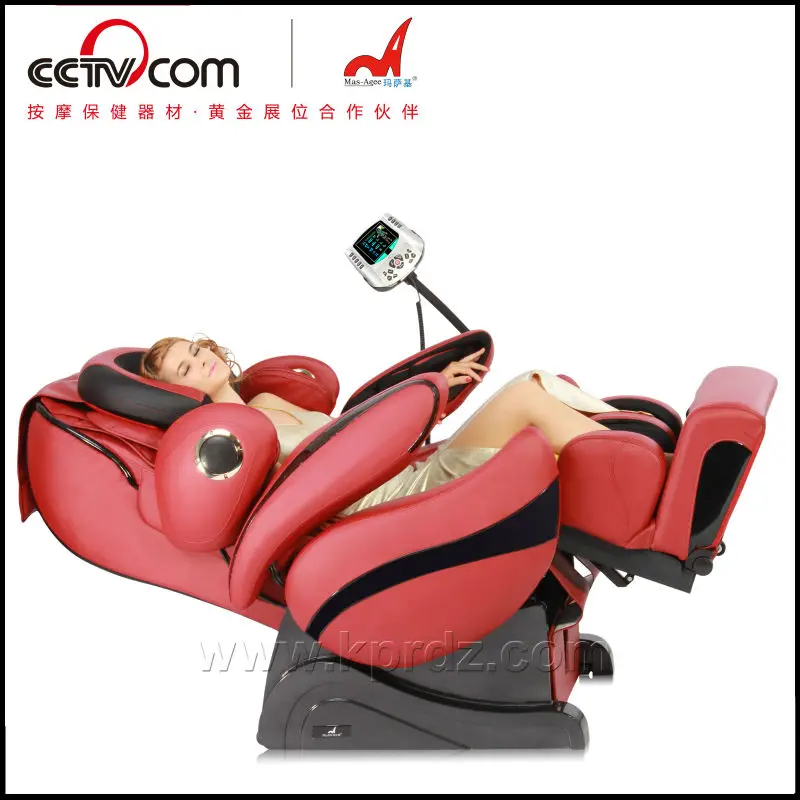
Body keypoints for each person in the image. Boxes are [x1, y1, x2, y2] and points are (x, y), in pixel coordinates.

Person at [140, 336, 622, 519]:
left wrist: (430, 391)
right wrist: (423, 400)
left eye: (195, 351)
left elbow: (351, 429)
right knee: (524, 399)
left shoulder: (264, 401)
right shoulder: (231, 444)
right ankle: (636, 466)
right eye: (185, 369)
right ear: (178, 393)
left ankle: (631, 443)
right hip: (387, 499)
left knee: (535, 382)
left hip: (398, 470)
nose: (200, 361)